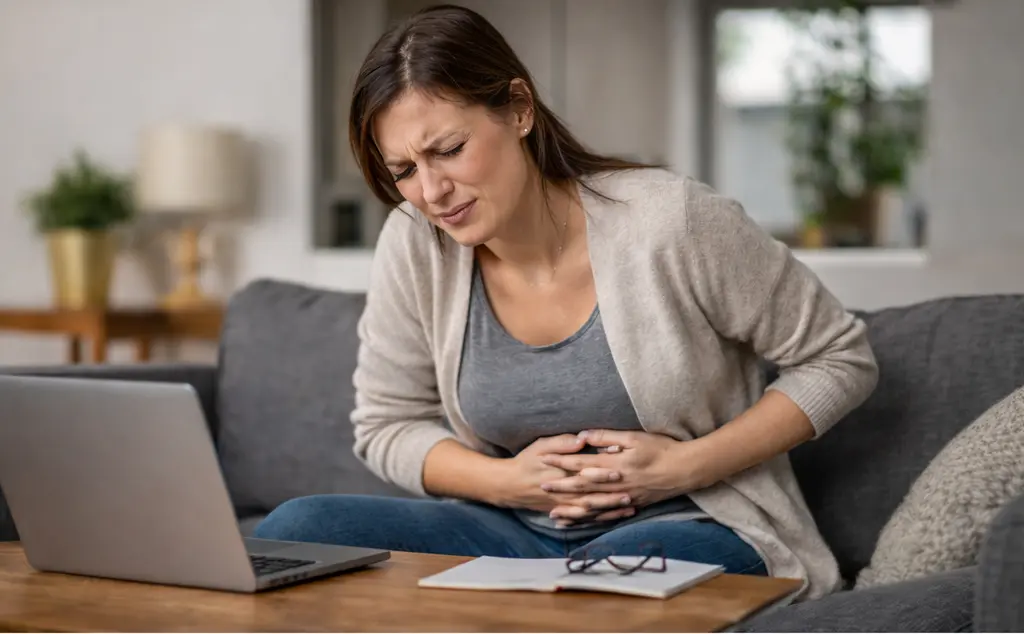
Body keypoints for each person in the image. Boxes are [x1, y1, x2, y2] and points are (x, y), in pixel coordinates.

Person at [254, 4, 878, 601]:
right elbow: (385, 425)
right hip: (512, 530)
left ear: (518, 109)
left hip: (693, 522)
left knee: (590, 588)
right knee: (296, 530)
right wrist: (506, 483)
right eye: (404, 171)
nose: (432, 191)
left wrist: (686, 466)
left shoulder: (671, 220)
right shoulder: (415, 243)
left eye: (447, 150)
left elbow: (838, 359)